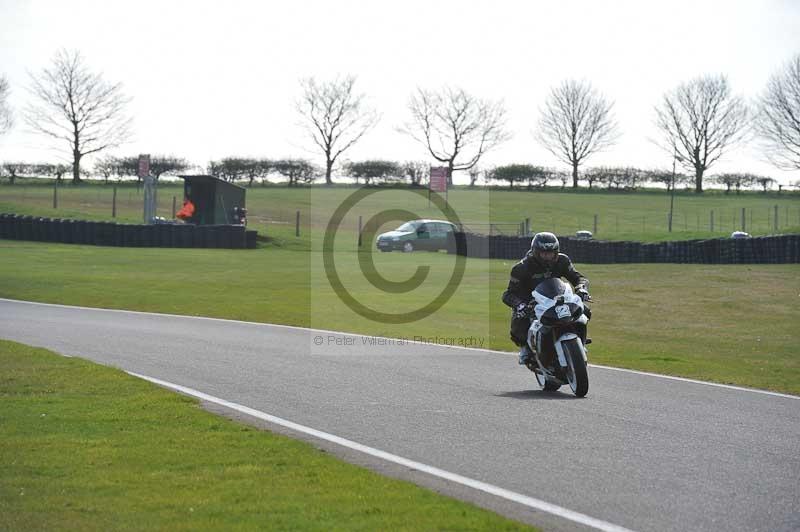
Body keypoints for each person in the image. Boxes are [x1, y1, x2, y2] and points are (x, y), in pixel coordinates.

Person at [501, 232, 590, 365]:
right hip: (532, 303)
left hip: (558, 297)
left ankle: (579, 341)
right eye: (544, 253)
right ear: (535, 252)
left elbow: (578, 277)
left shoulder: (562, 260)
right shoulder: (521, 268)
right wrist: (520, 305)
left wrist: (581, 288)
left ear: (556, 252)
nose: (548, 256)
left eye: (551, 253)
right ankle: (526, 348)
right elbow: (508, 294)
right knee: (519, 321)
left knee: (585, 311)